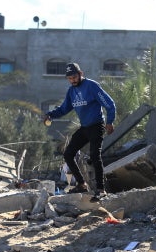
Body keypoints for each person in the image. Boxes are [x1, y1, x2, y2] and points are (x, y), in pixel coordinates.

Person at [44, 62, 116, 201]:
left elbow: (109, 103)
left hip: (97, 125)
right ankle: (81, 184)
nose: (73, 80)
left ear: (80, 74)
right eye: (70, 78)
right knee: (68, 154)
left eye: (74, 77)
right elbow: (64, 109)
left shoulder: (91, 86)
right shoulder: (72, 92)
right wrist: (50, 115)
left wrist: (110, 121)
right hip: (84, 128)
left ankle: (101, 190)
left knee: (95, 155)